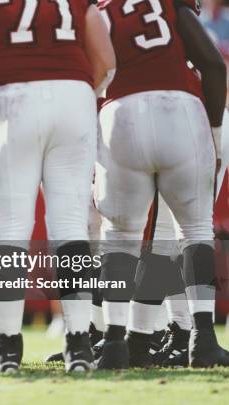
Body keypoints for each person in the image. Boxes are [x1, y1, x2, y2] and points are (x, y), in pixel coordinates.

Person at [0, 0, 115, 373]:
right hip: (74, 97)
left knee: (12, 231)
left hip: (13, 99)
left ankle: (7, 346)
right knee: (70, 227)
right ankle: (79, 343)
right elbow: (105, 58)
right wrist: (84, 97)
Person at [95, 0, 228, 368]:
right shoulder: (171, 6)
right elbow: (214, 64)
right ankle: (201, 338)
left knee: (121, 236)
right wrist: (214, 136)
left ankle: (114, 343)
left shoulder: (100, 12)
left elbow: (91, 77)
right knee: (194, 229)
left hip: (119, 112)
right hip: (183, 110)